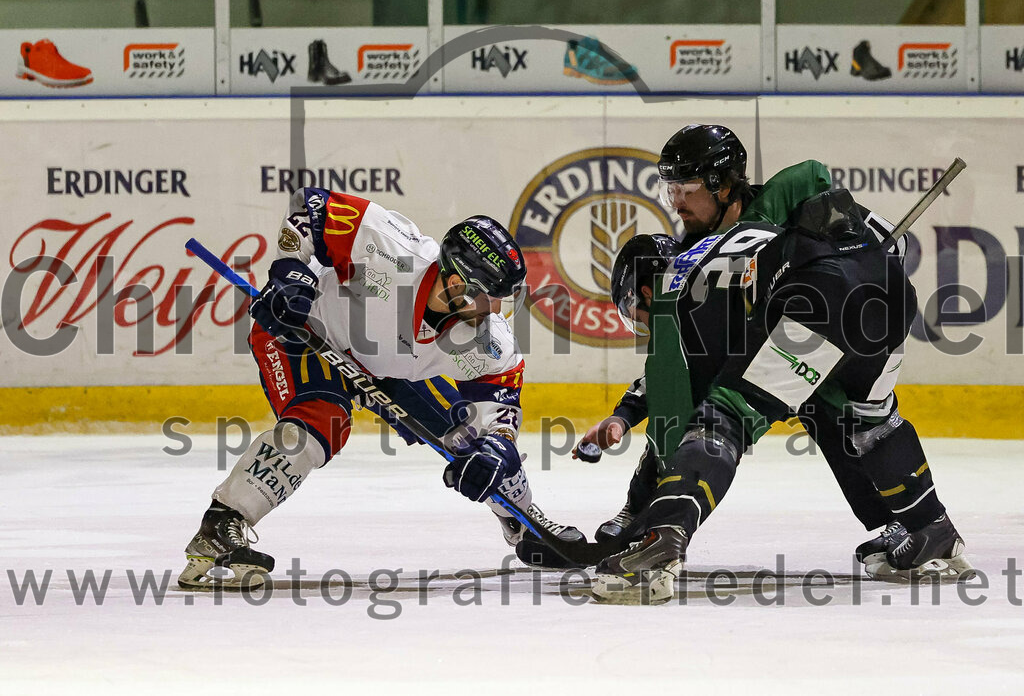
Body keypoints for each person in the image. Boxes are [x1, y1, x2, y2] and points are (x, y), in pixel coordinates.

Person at [580, 125, 971, 603]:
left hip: (819, 302)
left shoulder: (697, 266)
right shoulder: (788, 209)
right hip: (888, 301)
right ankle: (934, 534)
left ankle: (659, 548)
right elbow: (894, 244)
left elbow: (674, 405)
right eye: (670, 190)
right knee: (867, 422)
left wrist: (641, 511)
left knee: (723, 417)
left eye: (686, 190)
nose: (675, 204)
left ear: (724, 185)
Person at [178, 188, 581, 589]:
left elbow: (499, 415)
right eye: (491, 299)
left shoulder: (488, 342)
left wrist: (497, 453)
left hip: (384, 365)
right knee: (324, 423)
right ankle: (222, 525)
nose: (497, 311)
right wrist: (289, 276)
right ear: (458, 283)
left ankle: (523, 521)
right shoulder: (390, 246)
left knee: (471, 439)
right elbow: (309, 208)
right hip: (304, 332)